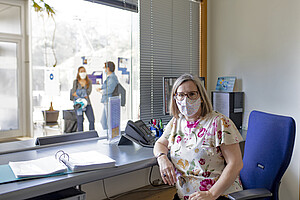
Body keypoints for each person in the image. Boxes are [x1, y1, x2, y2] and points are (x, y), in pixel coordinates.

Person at [153, 74, 244, 200]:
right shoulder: (177, 121)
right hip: (185, 196)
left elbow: (236, 164)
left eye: (191, 94)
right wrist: (162, 158)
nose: (186, 100)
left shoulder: (219, 122)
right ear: (175, 98)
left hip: (217, 195)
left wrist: (211, 194)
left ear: (201, 96)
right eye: (180, 95)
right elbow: (160, 144)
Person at [96, 61, 119, 130]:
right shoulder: (110, 77)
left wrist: (101, 91)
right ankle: (106, 136)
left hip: (109, 101)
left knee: (109, 121)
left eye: (105, 68)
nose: (104, 70)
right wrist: (101, 88)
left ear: (108, 68)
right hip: (107, 101)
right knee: (103, 121)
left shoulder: (112, 77)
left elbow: (109, 89)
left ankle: (110, 136)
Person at [71, 66, 95, 131]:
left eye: (84, 71)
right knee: (80, 121)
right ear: (78, 73)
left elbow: (88, 92)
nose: (83, 73)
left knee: (92, 120)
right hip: (78, 104)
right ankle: (80, 136)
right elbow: (73, 93)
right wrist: (83, 93)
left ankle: (91, 134)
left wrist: (78, 92)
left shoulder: (89, 81)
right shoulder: (75, 82)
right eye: (81, 71)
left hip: (87, 103)